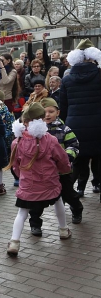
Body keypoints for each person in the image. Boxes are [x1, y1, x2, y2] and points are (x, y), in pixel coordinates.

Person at [6, 103, 72, 255]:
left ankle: (14, 242)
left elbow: (15, 165)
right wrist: (65, 169)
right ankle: (63, 230)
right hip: (49, 183)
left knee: (22, 212)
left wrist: (21, 177)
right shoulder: (50, 140)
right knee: (58, 201)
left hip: (28, 185)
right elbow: (61, 159)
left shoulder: (17, 142)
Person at [27, 98, 82, 238]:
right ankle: (35, 224)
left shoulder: (64, 129)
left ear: (58, 112)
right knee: (37, 199)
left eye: (51, 111)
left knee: (68, 193)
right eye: (44, 112)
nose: (47, 115)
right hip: (41, 173)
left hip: (62, 171)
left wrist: (67, 158)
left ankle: (77, 208)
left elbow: (73, 145)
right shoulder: (36, 132)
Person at [59, 39, 101, 201]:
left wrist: (64, 126)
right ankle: (97, 183)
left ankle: (79, 188)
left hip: (75, 124)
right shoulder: (99, 75)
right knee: (98, 157)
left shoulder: (67, 79)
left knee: (78, 159)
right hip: (98, 123)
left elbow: (63, 106)